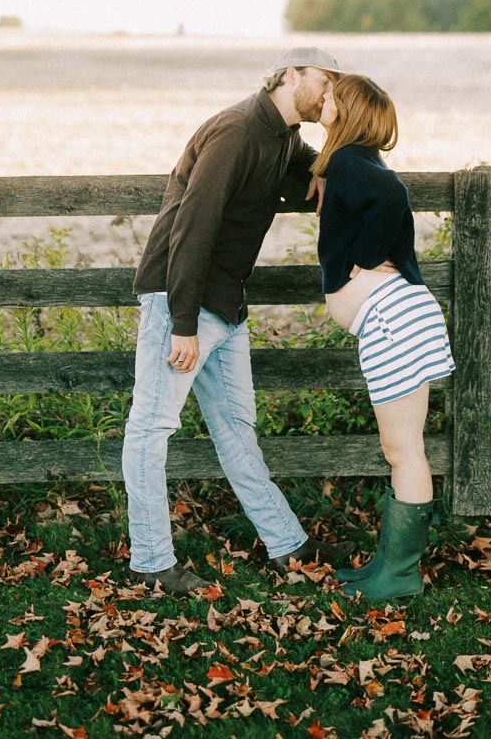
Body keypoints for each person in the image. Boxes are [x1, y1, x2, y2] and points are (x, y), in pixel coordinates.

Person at [122, 46, 355, 595]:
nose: (330, 95)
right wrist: (182, 322)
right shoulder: (236, 130)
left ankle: (288, 546)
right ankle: (152, 562)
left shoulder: (283, 138)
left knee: (237, 430)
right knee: (152, 428)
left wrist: (321, 170)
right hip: (181, 299)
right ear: (292, 75)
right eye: (324, 83)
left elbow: (305, 168)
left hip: (225, 304)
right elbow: (191, 227)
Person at [315, 73, 455, 601]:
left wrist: (363, 260)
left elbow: (392, 197)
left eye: (331, 95)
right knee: (403, 448)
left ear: (347, 108)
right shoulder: (353, 161)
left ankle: (398, 576)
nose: (323, 99)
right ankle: (389, 567)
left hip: (393, 318)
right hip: (401, 314)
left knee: (403, 450)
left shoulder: (353, 161)